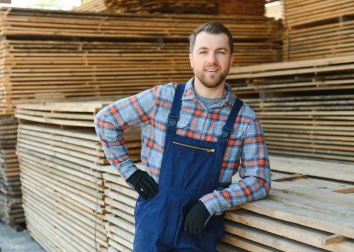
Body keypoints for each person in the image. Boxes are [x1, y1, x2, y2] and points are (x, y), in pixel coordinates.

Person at [94, 22, 271, 252]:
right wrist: (131, 173)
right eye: (203, 51)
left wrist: (211, 204)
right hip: (154, 218)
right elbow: (105, 120)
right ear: (191, 59)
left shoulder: (244, 119)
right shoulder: (162, 98)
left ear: (231, 59)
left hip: (199, 226)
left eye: (221, 52)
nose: (212, 60)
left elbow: (260, 180)